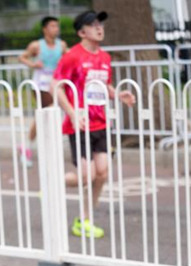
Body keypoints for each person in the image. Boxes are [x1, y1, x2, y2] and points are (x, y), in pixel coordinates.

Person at [52, 11, 135, 239]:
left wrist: (118, 94)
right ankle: (54, 182)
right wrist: (72, 113)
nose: (100, 28)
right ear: (82, 32)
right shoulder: (72, 57)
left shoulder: (105, 58)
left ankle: (84, 219)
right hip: (79, 125)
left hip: (100, 123)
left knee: (102, 173)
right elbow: (56, 86)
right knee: (87, 175)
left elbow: (102, 85)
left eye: (100, 24)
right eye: (93, 25)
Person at [18, 16, 68, 167]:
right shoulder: (36, 45)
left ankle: (27, 145)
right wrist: (33, 64)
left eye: (57, 26)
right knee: (49, 110)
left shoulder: (62, 45)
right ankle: (29, 145)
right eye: (52, 26)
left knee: (44, 116)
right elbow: (22, 57)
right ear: (45, 29)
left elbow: (68, 59)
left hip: (56, 84)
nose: (56, 29)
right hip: (40, 84)